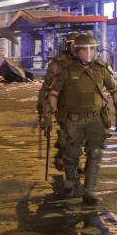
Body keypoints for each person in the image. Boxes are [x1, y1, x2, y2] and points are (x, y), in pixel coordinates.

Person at [48, 33, 117, 204]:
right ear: (76, 51)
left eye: (92, 49)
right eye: (84, 50)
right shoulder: (67, 71)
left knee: (96, 153)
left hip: (95, 119)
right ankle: (70, 183)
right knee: (72, 154)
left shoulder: (102, 69)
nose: (88, 53)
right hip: (73, 120)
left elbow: (115, 91)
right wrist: (48, 114)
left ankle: (90, 190)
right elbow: (53, 94)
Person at [38, 32, 80, 173]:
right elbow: (47, 86)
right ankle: (69, 165)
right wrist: (45, 111)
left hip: (81, 104)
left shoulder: (84, 61)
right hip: (62, 105)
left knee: (79, 136)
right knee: (68, 135)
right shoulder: (58, 63)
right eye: (71, 44)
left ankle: (67, 158)